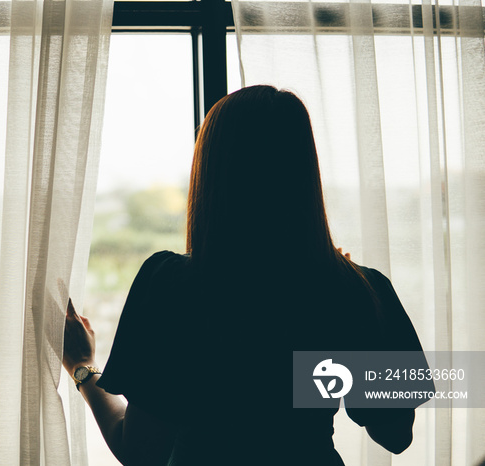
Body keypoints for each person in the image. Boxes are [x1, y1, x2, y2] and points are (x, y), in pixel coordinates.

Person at [62, 85, 430, 465]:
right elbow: (396, 434)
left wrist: (83, 369)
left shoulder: (171, 286)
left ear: (212, 172)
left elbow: (140, 453)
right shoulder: (361, 290)